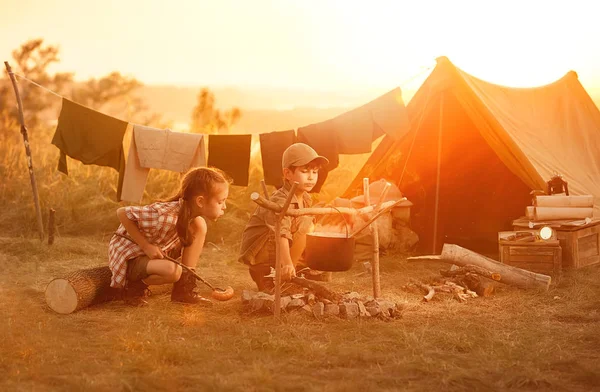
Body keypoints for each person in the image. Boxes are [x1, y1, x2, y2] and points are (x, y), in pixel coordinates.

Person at [108, 167, 230, 306]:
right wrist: (146, 246)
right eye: (220, 202)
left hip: (152, 257)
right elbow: (122, 212)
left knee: (200, 225)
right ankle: (133, 288)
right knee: (172, 271)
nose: (224, 206)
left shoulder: (192, 220)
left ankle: (184, 290)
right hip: (130, 256)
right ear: (200, 201)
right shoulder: (163, 215)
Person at [238, 143, 330, 292]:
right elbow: (281, 232)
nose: (311, 177)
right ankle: (284, 274)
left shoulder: (305, 197)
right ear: (287, 174)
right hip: (262, 256)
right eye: (305, 171)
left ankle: (297, 269)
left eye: (314, 172)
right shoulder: (280, 200)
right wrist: (287, 264)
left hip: (277, 250)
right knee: (307, 223)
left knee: (311, 221)